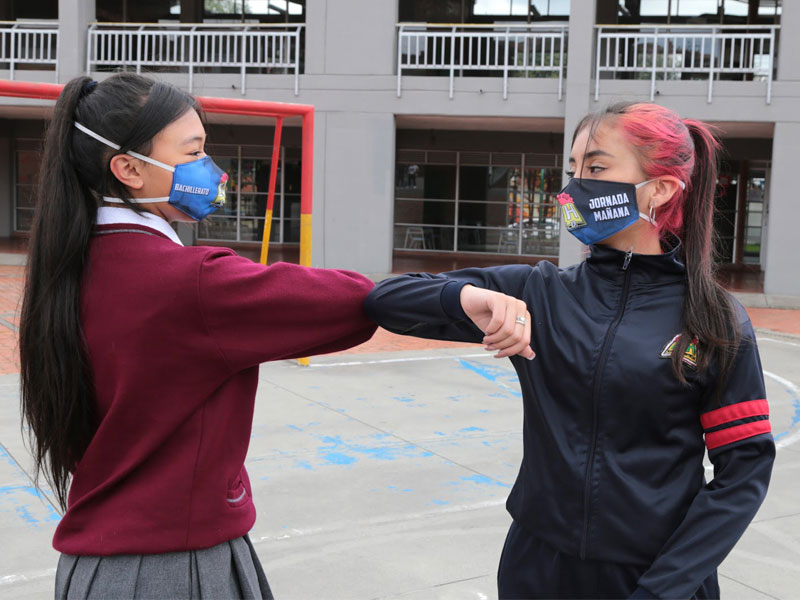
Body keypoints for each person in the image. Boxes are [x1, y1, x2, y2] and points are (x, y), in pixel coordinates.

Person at [364, 102, 775, 599]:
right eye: (573, 169)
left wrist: (662, 590)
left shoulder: (714, 320)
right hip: (536, 570)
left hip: (654, 579)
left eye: (596, 168)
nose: (574, 188)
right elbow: (384, 300)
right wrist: (469, 296)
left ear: (661, 188)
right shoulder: (539, 294)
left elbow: (744, 472)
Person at [19, 73, 377, 599]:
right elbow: (355, 301)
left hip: (93, 568)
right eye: (194, 151)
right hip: (173, 568)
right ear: (129, 169)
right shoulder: (188, 280)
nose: (212, 171)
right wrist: (466, 295)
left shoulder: (68, 265)